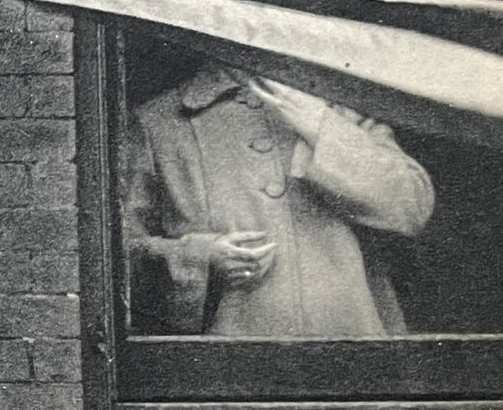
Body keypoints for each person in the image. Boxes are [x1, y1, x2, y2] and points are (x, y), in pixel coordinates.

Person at [124, 62, 434, 336]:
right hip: (228, 366)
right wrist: (199, 257)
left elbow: (411, 206)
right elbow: (118, 260)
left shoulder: (342, 106)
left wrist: (321, 125)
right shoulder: (158, 123)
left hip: (353, 348)